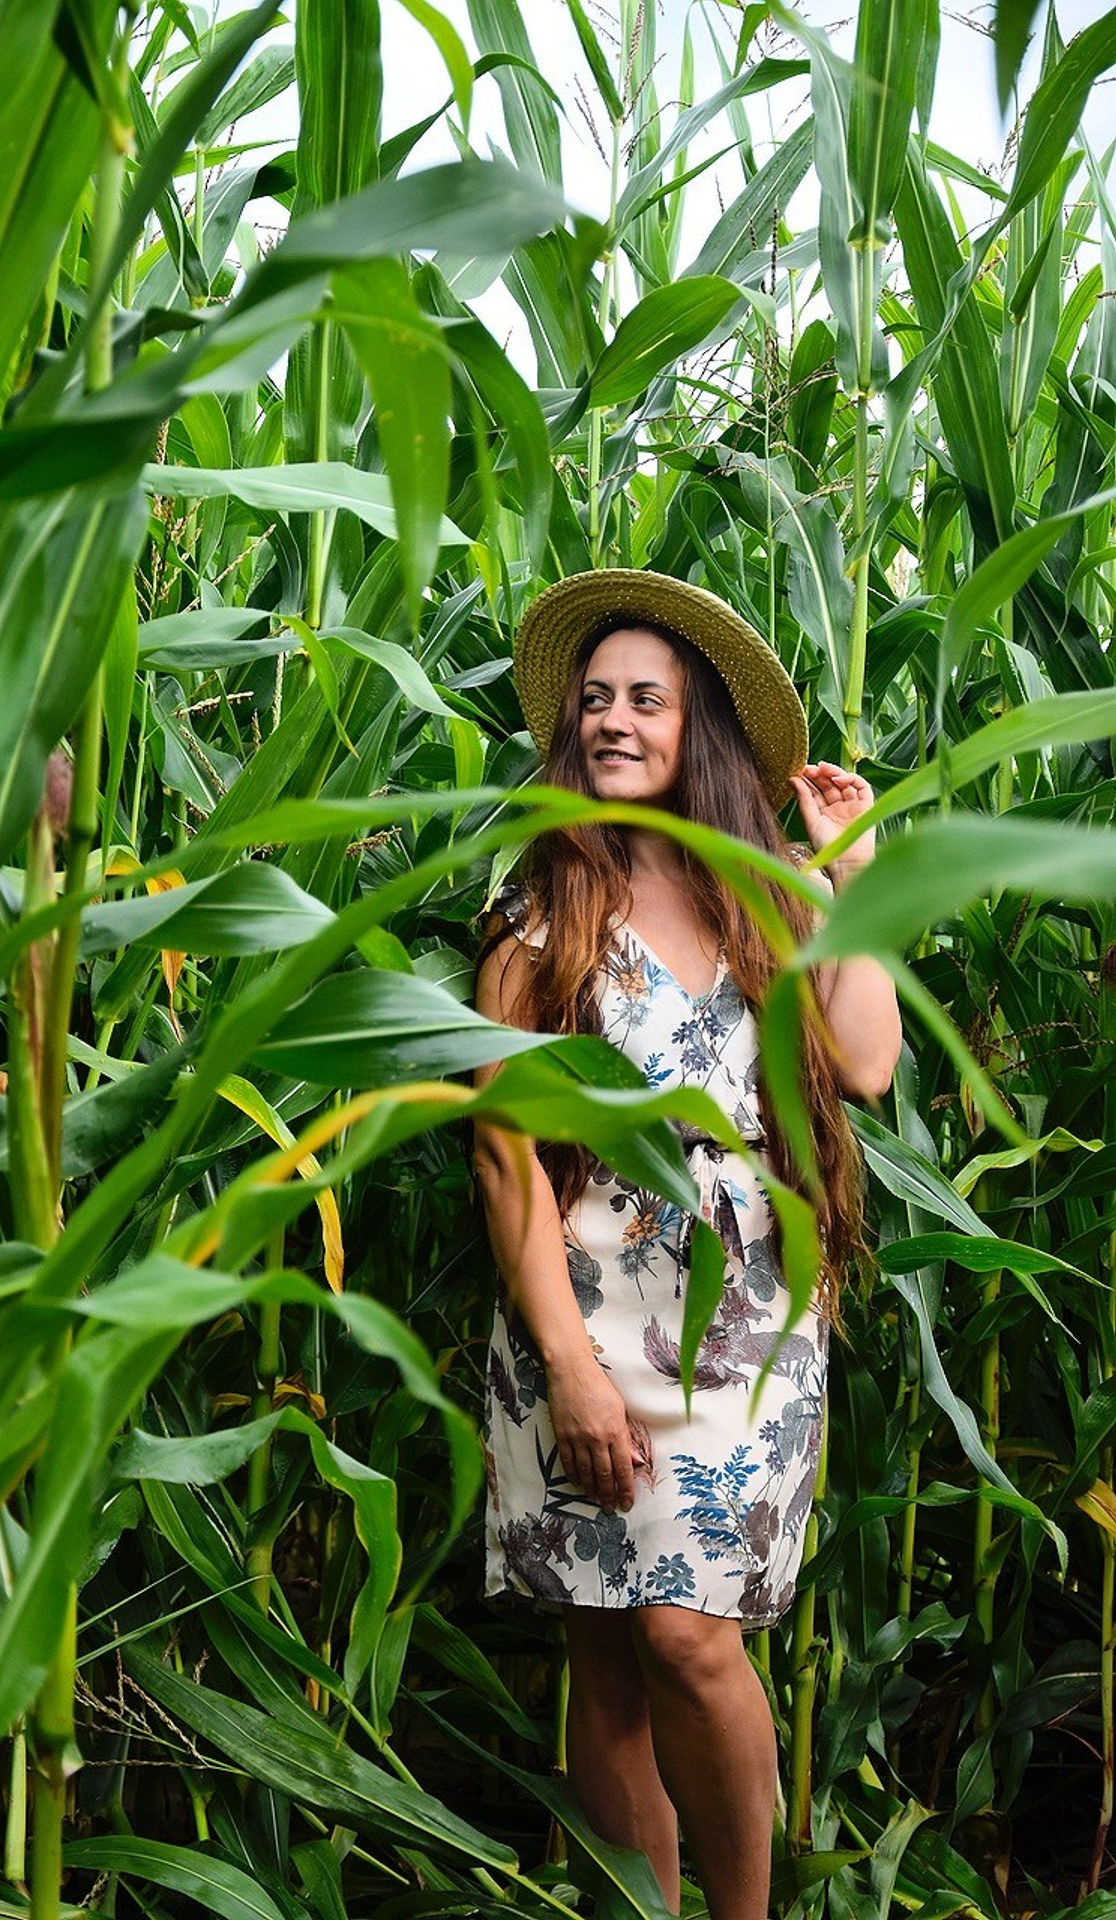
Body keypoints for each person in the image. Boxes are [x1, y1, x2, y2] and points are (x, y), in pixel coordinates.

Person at [471, 569, 902, 1920]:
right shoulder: (544, 909)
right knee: (606, 1658)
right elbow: (507, 1157)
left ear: (695, 727)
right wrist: (569, 1368)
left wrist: (847, 883)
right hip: (582, 1318)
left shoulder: (763, 900)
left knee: (687, 1637)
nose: (613, 718)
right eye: (594, 698)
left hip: (751, 1327)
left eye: (646, 698)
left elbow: (871, 1064)